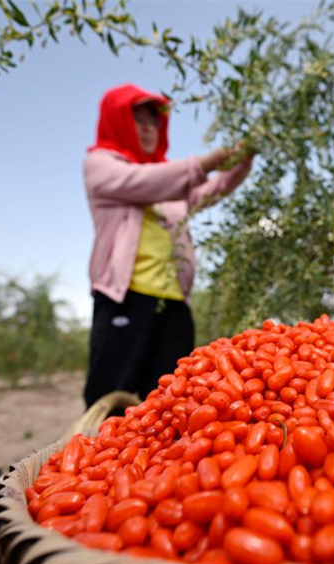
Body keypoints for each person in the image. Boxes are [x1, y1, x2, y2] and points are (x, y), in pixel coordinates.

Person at [82, 83, 252, 408]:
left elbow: (208, 192)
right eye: (139, 120)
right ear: (116, 120)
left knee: (171, 400)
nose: (149, 129)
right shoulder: (101, 165)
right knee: (112, 398)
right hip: (127, 299)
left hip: (174, 304)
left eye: (153, 122)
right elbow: (146, 183)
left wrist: (242, 162)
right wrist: (203, 164)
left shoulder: (173, 182)